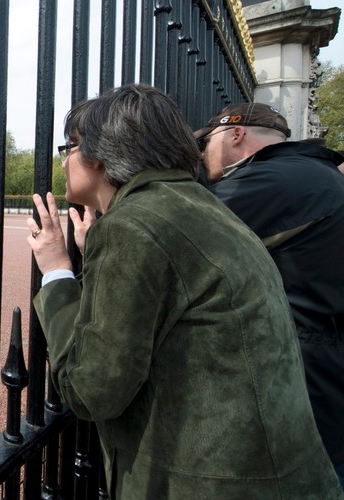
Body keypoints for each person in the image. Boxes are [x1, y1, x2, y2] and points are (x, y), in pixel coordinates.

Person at [27, 84, 342, 498]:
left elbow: (91, 390)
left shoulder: (135, 224)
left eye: (70, 146)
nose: (65, 160)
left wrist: (57, 273)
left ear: (101, 154)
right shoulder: (196, 204)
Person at [197, 102, 344, 485]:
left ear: (236, 133)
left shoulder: (271, 180)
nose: (200, 154)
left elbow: (177, 230)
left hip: (301, 389)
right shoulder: (312, 173)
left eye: (205, 142)